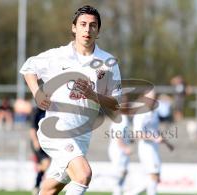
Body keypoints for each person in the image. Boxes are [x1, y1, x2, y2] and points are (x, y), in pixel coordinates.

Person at [20, 5, 121, 195]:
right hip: (55, 130)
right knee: (83, 175)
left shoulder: (108, 63)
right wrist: (36, 92)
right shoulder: (57, 56)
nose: (87, 29)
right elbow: (28, 68)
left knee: (50, 189)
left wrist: (93, 95)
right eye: (83, 24)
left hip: (82, 136)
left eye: (93, 25)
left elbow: (115, 104)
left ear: (98, 30)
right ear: (74, 27)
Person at [108, 95, 132, 195]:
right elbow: (118, 136)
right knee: (119, 175)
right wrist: (125, 148)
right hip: (118, 150)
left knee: (123, 173)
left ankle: (119, 191)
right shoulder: (123, 119)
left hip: (117, 149)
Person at [30, 107, 50, 195]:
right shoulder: (36, 111)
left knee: (44, 165)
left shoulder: (50, 110)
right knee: (47, 163)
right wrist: (35, 141)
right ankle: (37, 186)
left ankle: (36, 186)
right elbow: (32, 128)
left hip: (47, 142)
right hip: (38, 142)